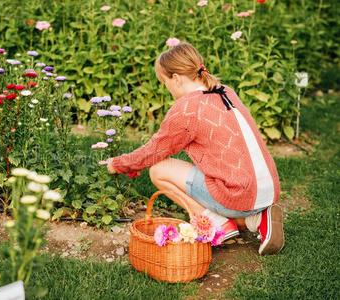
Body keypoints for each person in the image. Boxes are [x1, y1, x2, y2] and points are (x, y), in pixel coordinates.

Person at [103, 42, 284, 255]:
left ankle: (216, 222)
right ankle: (257, 219)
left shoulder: (187, 108)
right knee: (176, 167)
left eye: (164, 82)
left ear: (176, 79)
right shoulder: (225, 91)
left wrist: (118, 164)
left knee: (159, 170)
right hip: (267, 189)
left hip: (239, 195)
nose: (166, 88)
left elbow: (154, 151)